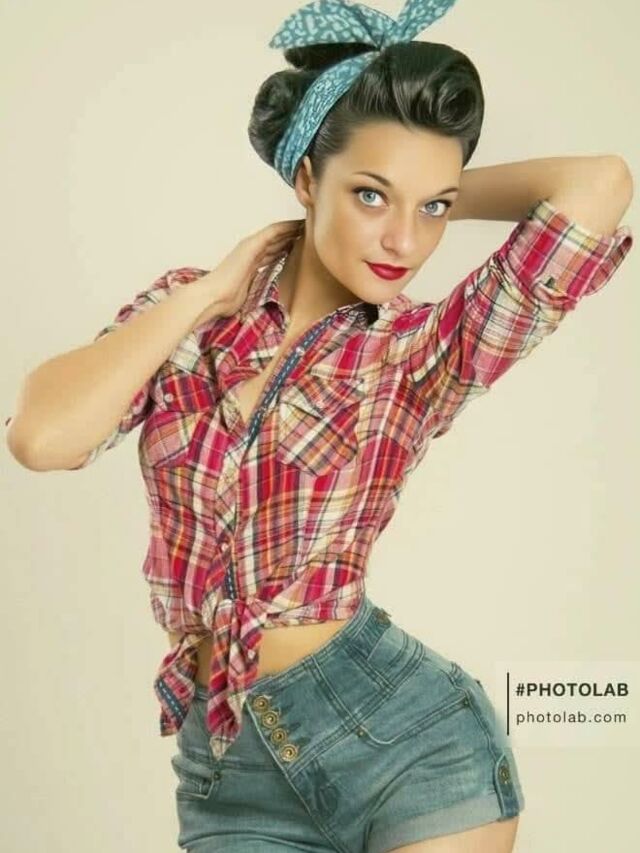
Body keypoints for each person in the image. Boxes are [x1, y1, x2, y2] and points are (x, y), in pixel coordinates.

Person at [6, 0, 633, 851]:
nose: (404, 239)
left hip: (408, 744)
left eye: (433, 209)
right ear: (305, 178)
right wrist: (207, 292)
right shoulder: (187, 317)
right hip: (227, 769)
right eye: (370, 195)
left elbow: (601, 184)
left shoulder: (423, 352)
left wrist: (423, 188)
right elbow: (42, 438)